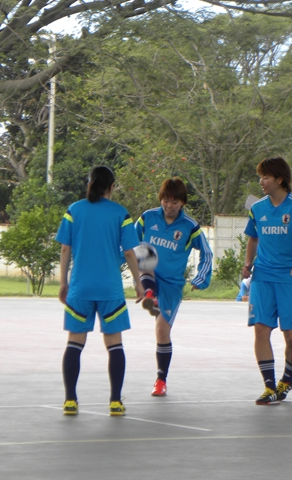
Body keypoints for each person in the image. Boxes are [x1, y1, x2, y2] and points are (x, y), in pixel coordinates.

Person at [55, 166, 145, 416]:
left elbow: (65, 249)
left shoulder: (74, 210)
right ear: (112, 187)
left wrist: (63, 282)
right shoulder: (121, 214)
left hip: (80, 288)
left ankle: (70, 400)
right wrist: (138, 282)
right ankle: (115, 401)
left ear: (90, 183)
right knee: (114, 345)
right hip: (110, 290)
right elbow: (129, 252)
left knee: (74, 343)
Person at [242, 156, 292, 405]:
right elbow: (253, 238)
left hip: (289, 278)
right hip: (263, 276)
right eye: (260, 176)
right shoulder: (258, 209)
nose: (261, 181)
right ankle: (269, 386)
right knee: (261, 329)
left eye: (265, 177)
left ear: (279, 179)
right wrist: (248, 264)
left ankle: (287, 379)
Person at [135, 177, 213, 396]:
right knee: (145, 253)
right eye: (165, 201)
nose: (169, 206)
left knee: (162, 330)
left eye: (174, 202)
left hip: (171, 284)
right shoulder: (147, 218)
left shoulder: (190, 227)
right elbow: (129, 241)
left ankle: (161, 379)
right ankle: (150, 292)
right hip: (148, 272)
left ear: (182, 203)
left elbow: (207, 253)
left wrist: (200, 278)